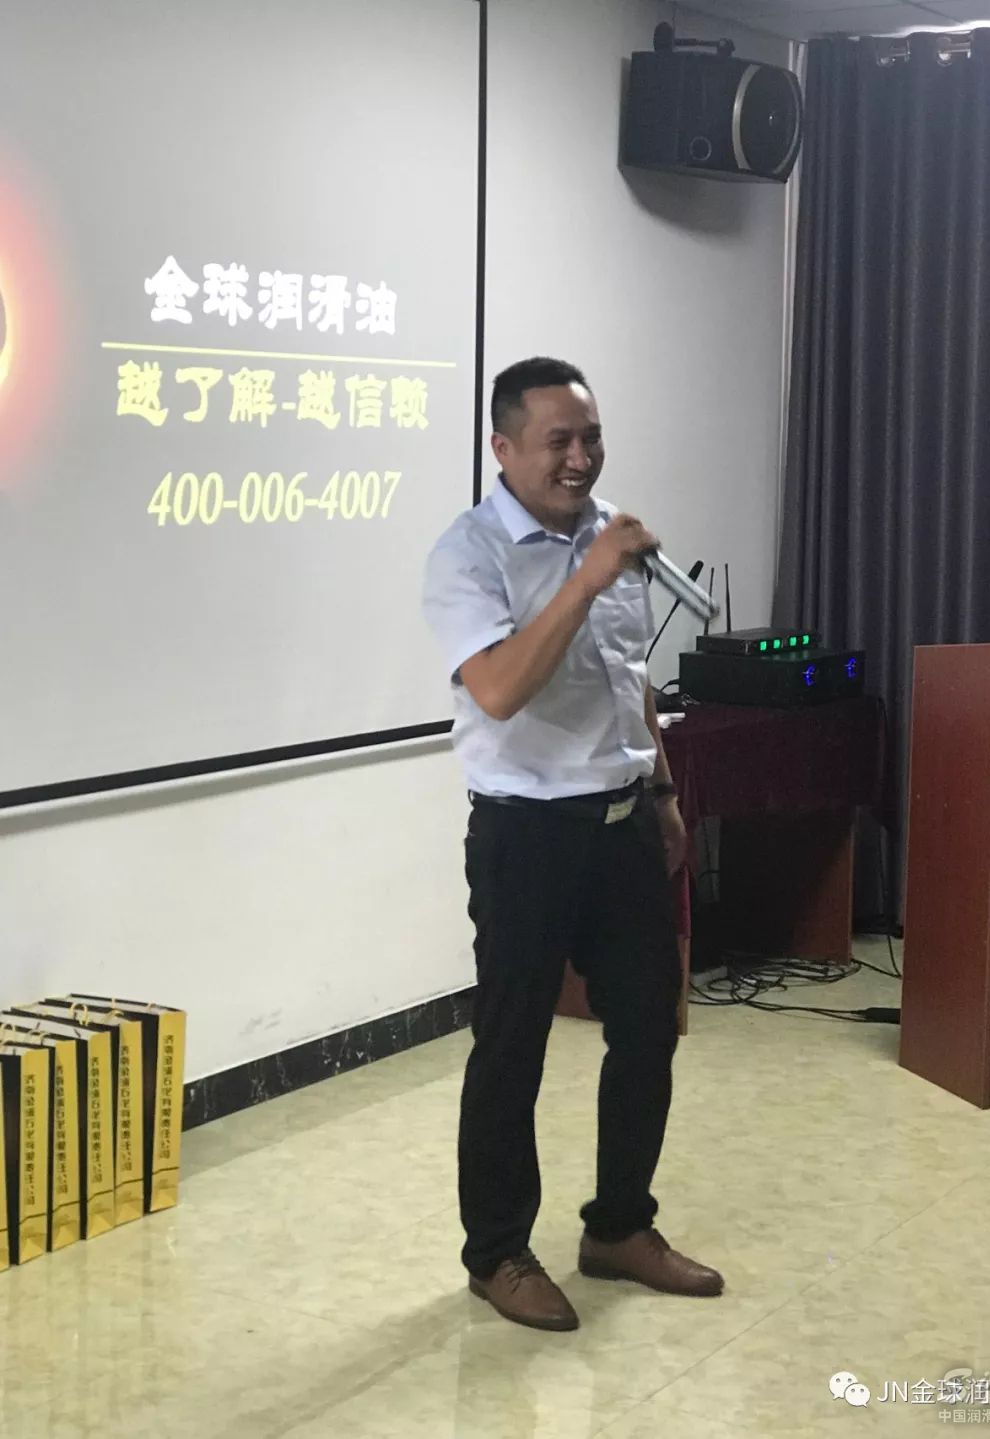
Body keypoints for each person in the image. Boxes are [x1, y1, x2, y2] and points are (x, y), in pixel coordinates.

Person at [422, 356, 723, 1333]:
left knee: (648, 1027)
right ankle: (496, 1253)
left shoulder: (609, 533)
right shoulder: (467, 555)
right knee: (513, 1044)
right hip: (526, 832)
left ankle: (619, 1226)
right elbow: (500, 687)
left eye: (591, 437)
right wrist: (585, 582)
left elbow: (628, 675)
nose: (581, 458)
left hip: (624, 820)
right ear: (503, 447)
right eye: (559, 440)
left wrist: (663, 790)